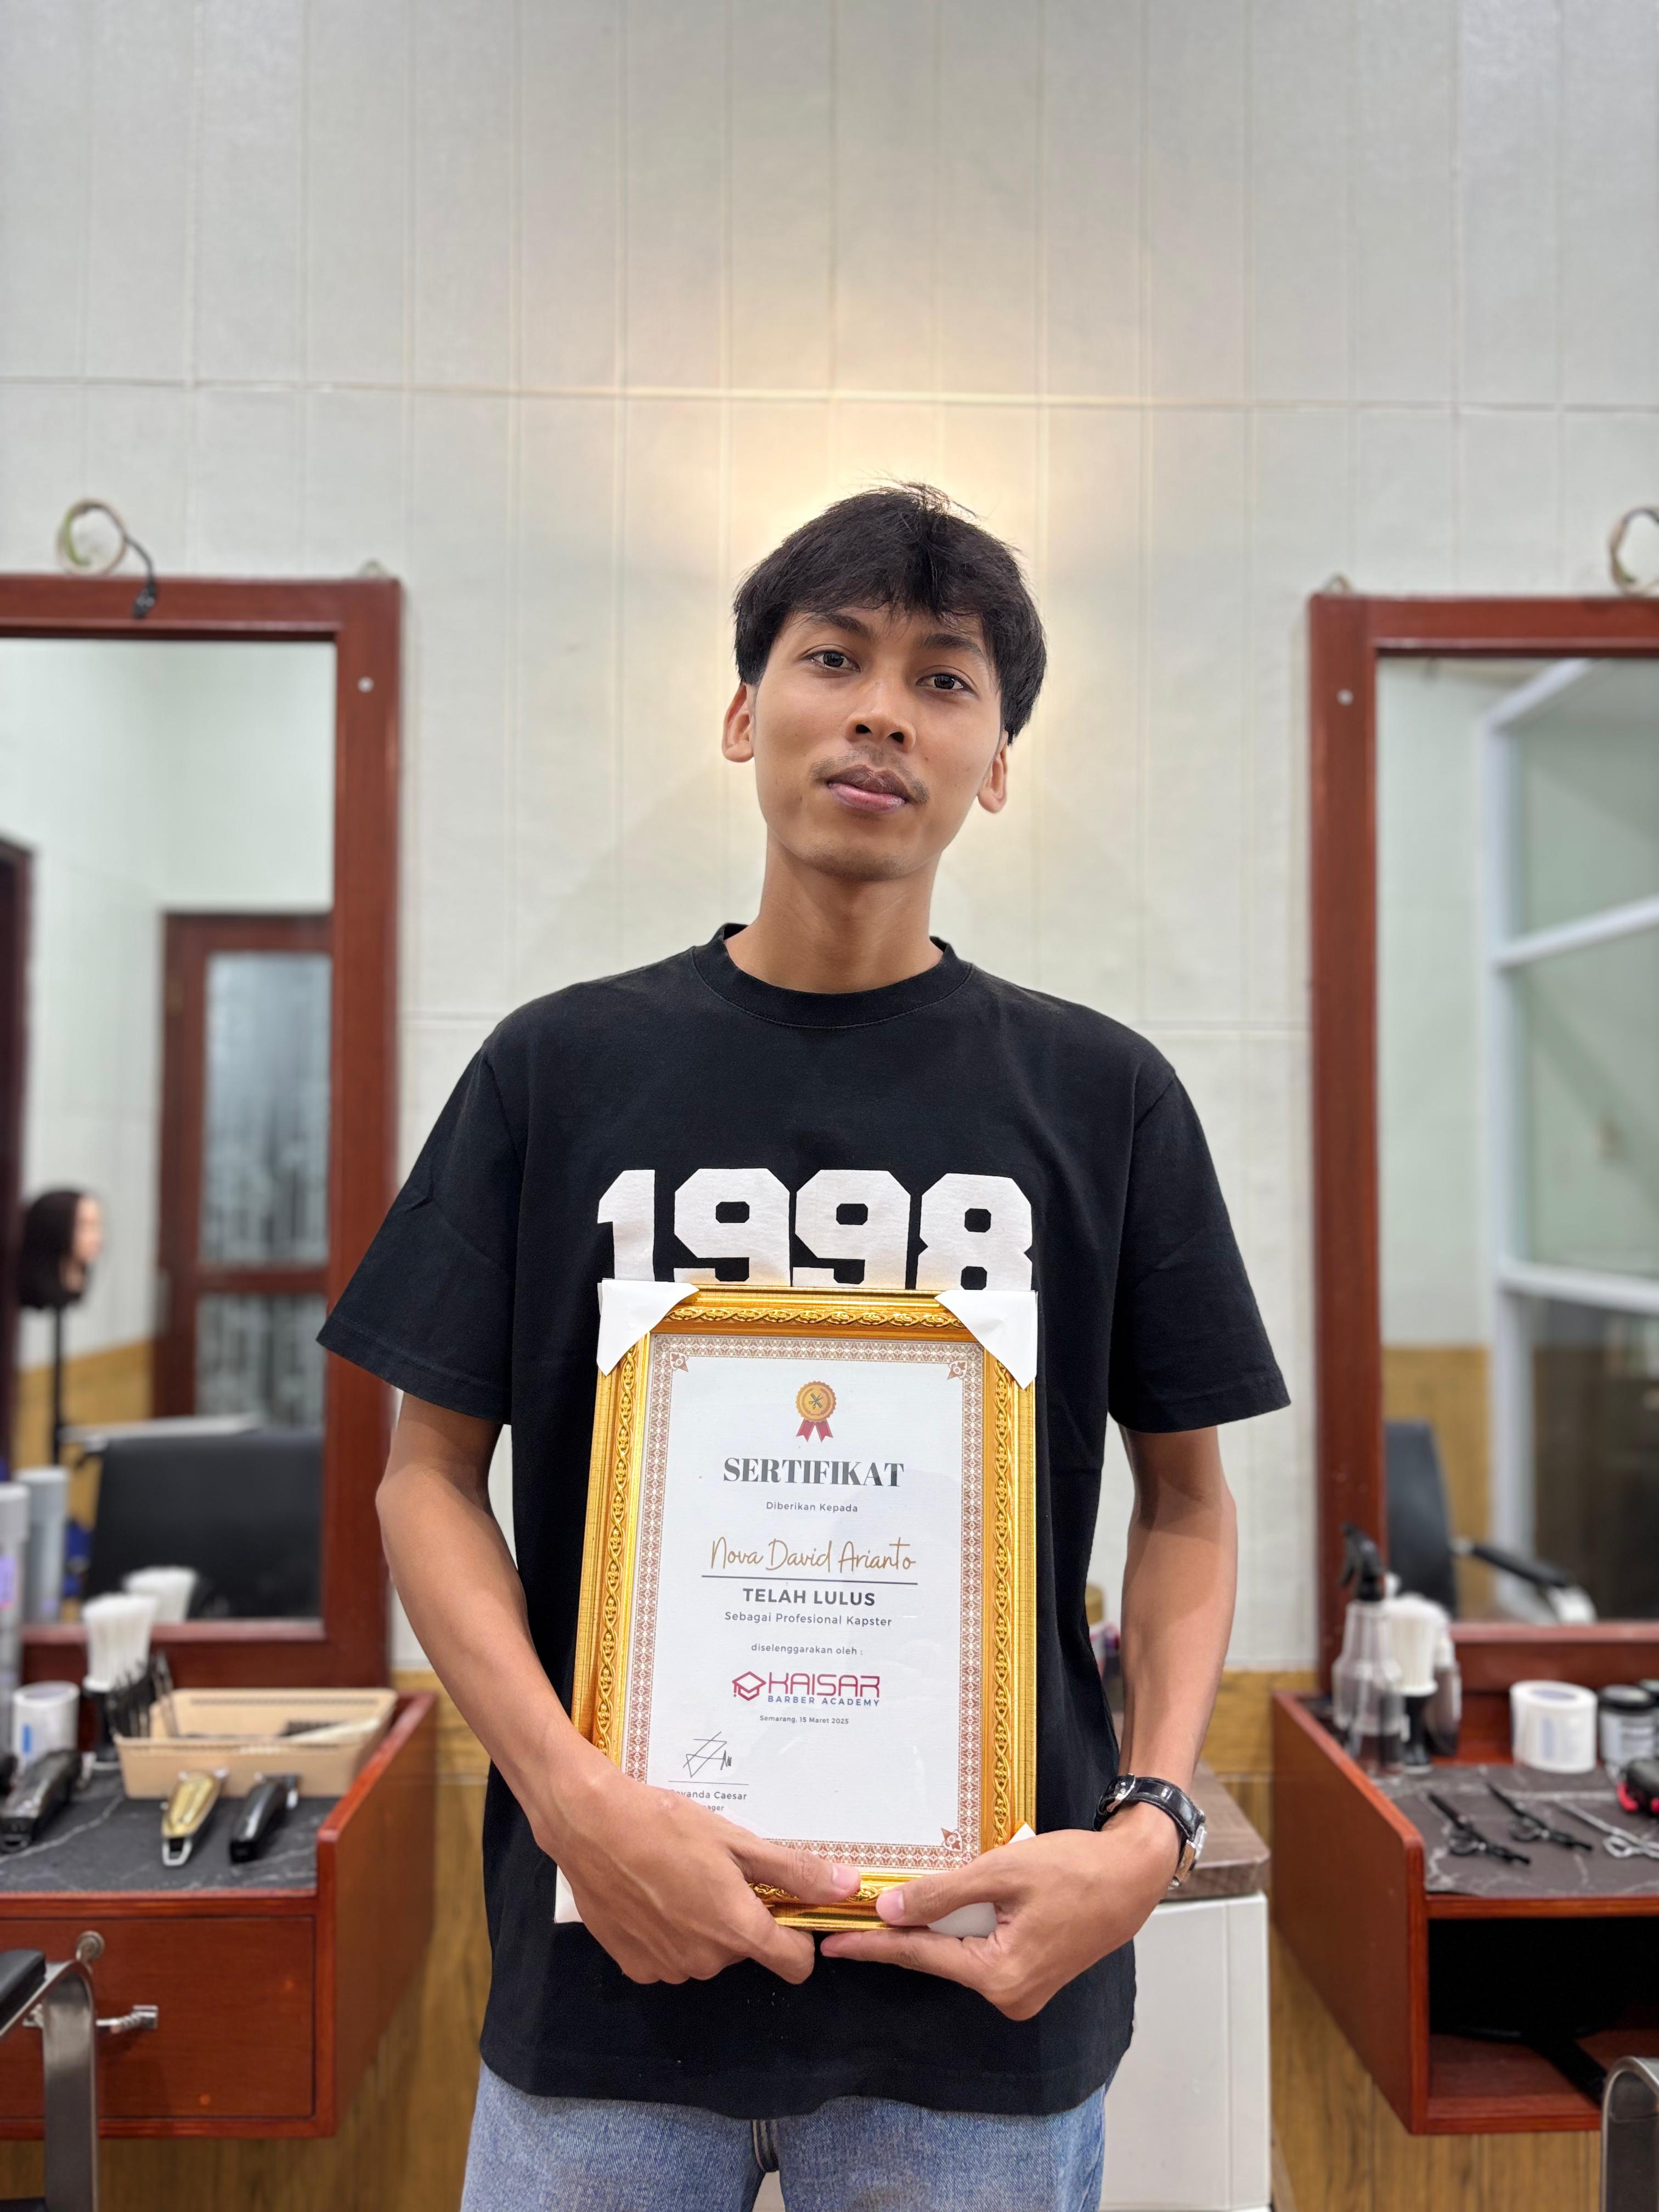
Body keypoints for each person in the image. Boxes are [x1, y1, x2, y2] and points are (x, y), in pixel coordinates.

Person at [319, 484, 1287, 2211]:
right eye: (833, 660)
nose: (882, 713)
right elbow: (427, 1480)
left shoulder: (1105, 1095)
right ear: (741, 712)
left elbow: (1190, 1505)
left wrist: (1152, 1824)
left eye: (944, 680)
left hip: (977, 1997)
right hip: (614, 1973)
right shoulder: (555, 1071)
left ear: (997, 763)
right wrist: (569, 1799)